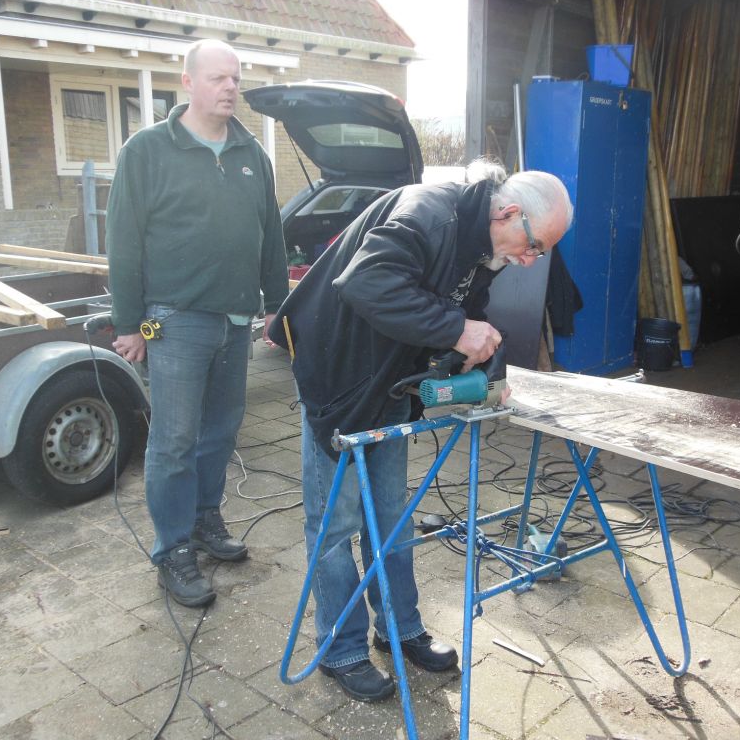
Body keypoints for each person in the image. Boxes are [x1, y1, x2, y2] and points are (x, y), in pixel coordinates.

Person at [266, 158, 573, 701]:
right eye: (535, 246)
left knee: (391, 515)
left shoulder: (485, 246)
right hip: (338, 370)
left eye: (540, 252)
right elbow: (366, 281)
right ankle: (340, 648)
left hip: (386, 379)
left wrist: (473, 361)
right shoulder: (428, 212)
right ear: (508, 212)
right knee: (336, 523)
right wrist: (456, 330)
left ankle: (399, 626)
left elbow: (456, 308)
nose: (531, 260)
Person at [106, 39, 288, 608]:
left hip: (235, 320)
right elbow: (123, 239)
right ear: (187, 83)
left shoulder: (251, 152)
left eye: (235, 78)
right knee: (174, 439)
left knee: (220, 431)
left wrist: (279, 307)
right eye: (217, 78)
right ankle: (173, 548)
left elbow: (271, 236)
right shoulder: (147, 151)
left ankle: (206, 519)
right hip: (172, 320)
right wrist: (129, 323)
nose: (230, 87)